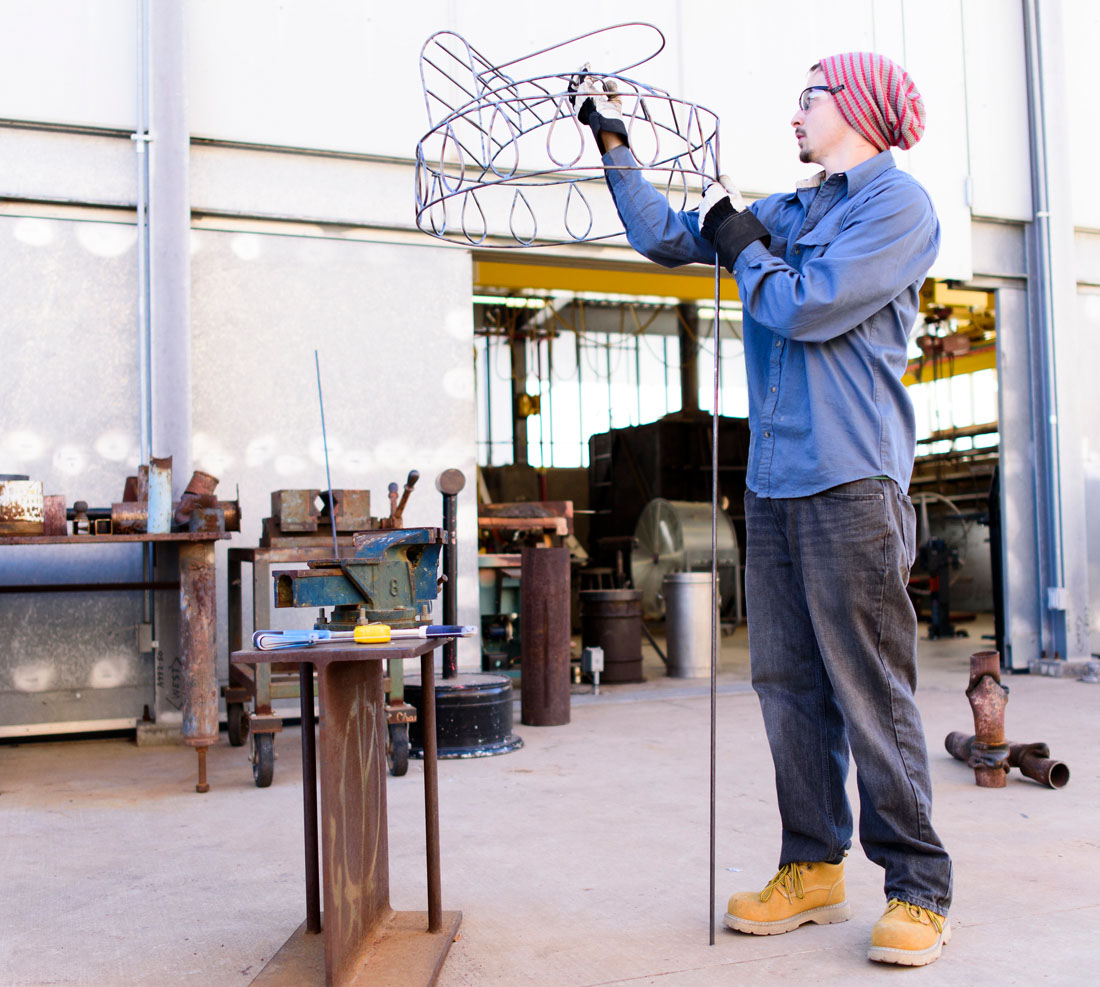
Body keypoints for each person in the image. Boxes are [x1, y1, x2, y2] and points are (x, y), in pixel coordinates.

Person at [573, 52, 953, 967]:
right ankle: (813, 863)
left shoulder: (896, 208)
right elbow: (668, 237)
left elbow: (809, 306)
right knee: (786, 685)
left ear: (856, 109)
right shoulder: (795, 209)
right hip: (776, 484)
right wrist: (614, 140)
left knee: (870, 686)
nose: (795, 114)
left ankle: (918, 887)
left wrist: (743, 243)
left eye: (809, 99)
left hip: (852, 481)